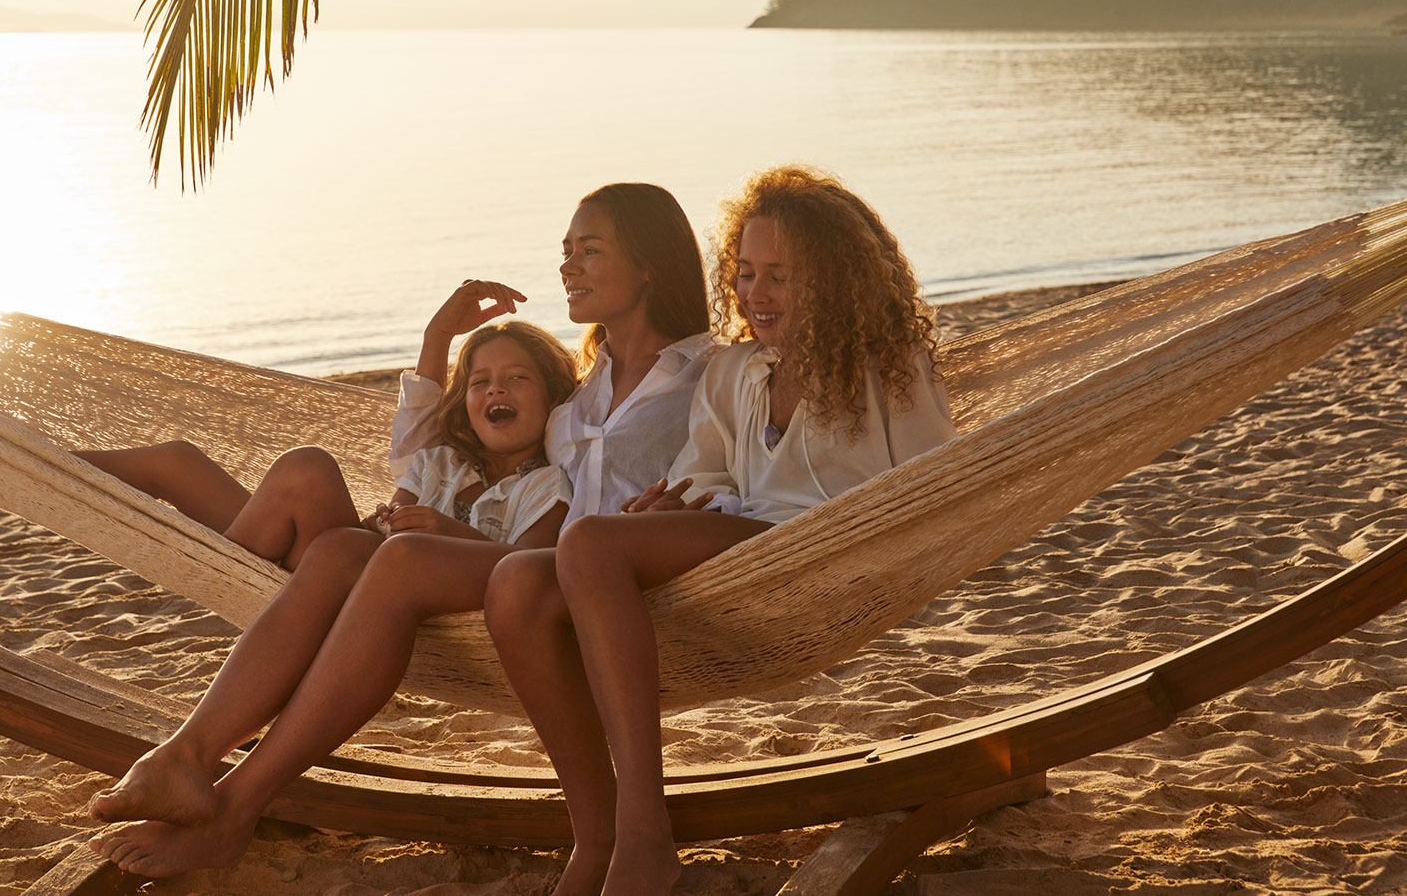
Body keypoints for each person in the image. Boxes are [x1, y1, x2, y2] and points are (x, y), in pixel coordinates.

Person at [88, 182, 716, 877]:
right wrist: (435, 342)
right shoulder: (581, 394)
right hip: (541, 572)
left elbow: (746, 460)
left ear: (650, 262)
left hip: (620, 576)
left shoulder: (710, 372)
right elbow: (435, 444)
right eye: (564, 251)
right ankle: (195, 763)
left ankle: (224, 793)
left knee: (389, 554)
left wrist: (698, 505)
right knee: (351, 542)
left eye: (589, 250)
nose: (567, 266)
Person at [483, 166, 958, 896]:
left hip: (829, 548)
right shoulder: (734, 370)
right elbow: (710, 474)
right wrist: (677, 505)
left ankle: (644, 835)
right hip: (745, 545)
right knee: (523, 575)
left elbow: (934, 483)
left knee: (587, 542)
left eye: (780, 276)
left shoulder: (887, 367)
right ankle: (600, 828)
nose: (755, 293)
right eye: (744, 273)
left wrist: (870, 543)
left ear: (833, 279)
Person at [88, 317, 579, 830]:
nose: (496, 388)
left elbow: (530, 570)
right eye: (480, 381)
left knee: (330, 527)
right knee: (289, 465)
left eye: (518, 378)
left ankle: (192, 746)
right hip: (349, 576)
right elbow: (391, 520)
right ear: (464, 403)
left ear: (554, 402)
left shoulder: (549, 486)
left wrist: (441, 533)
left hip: (421, 606)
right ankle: (12, 449)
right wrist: (387, 523)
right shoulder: (438, 463)